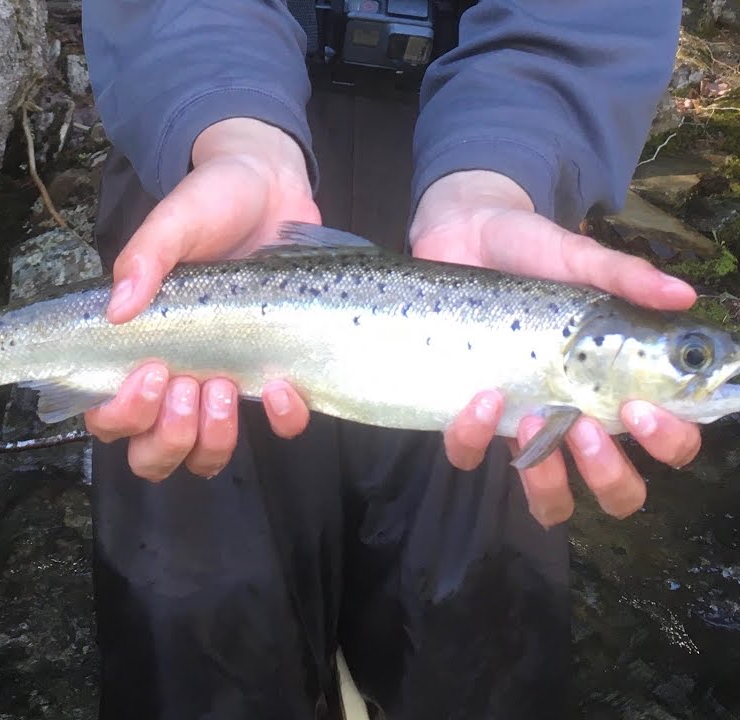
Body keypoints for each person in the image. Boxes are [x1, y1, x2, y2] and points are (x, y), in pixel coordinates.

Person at [80, 2, 696, 718]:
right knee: (200, 657)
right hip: (202, 163)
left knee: (473, 662)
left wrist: (505, 162)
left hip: (490, 212)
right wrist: (227, 125)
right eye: (690, 359)